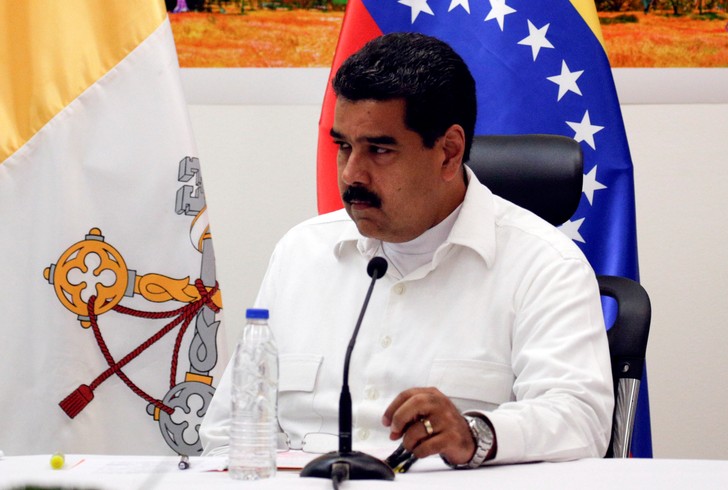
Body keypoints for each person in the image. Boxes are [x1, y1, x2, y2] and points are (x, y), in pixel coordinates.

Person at [200, 32, 613, 468]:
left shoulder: (544, 265)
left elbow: (580, 419)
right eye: (344, 147)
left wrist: (476, 435)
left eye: (379, 149)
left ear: (449, 152)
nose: (351, 174)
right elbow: (229, 431)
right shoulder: (302, 253)